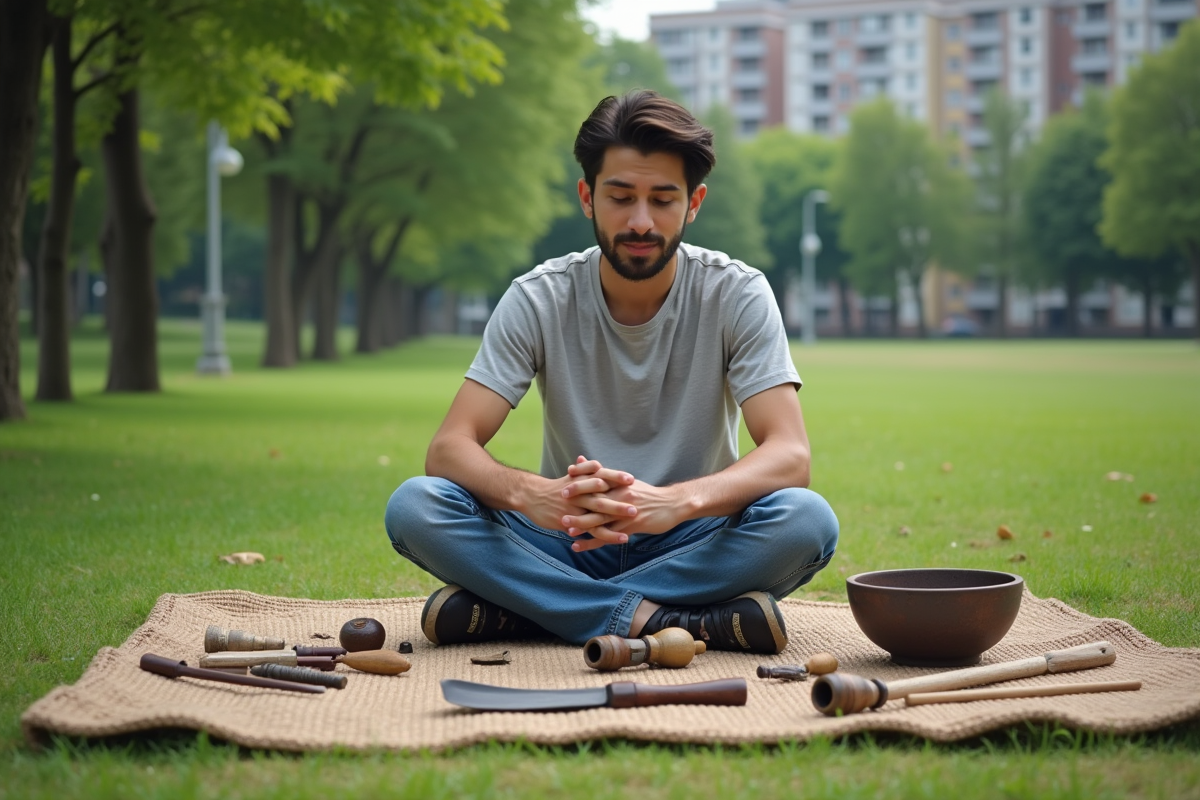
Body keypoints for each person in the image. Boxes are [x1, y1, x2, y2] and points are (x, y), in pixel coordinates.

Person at [385, 90, 838, 655]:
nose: (641, 221)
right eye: (621, 197)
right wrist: (534, 495)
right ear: (587, 197)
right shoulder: (537, 297)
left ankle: (528, 609)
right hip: (562, 537)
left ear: (693, 204)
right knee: (416, 505)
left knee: (805, 520)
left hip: (692, 540)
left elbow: (790, 454)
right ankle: (673, 621)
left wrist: (678, 502)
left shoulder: (737, 292)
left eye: (662, 200)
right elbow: (449, 449)